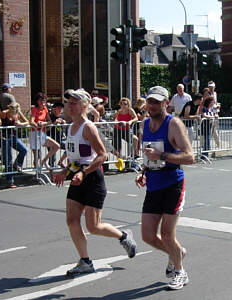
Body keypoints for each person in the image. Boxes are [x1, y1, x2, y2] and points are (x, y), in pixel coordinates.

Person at [53, 88, 137, 276]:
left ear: (83, 106)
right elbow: (76, 158)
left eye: (73, 103)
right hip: (77, 177)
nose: (69, 106)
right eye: (68, 102)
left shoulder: (88, 127)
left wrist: (83, 172)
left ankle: (123, 236)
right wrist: (64, 170)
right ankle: (85, 261)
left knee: (93, 226)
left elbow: (102, 155)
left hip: (92, 179)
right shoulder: (70, 127)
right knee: (72, 220)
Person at [135, 86, 194, 290]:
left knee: (168, 234)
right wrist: (143, 171)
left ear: (166, 103)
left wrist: (161, 157)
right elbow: (149, 154)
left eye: (157, 102)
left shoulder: (173, 124)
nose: (152, 105)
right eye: (150, 101)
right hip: (153, 183)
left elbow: (190, 157)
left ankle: (180, 272)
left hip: (172, 183)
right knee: (148, 236)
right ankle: (177, 252)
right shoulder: (145, 123)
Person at [0, 102, 29, 188]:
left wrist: (20, 124)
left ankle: (17, 163)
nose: (14, 114)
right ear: (9, 109)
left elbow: (27, 122)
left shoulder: (18, 112)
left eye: (16, 112)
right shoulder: (4, 113)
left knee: (24, 149)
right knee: (8, 158)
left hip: (14, 137)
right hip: (5, 137)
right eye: (13, 112)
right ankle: (10, 181)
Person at [30, 92, 60, 170]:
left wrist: (44, 123)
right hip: (35, 133)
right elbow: (31, 121)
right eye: (41, 100)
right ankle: (37, 174)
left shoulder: (45, 109)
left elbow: (49, 121)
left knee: (56, 146)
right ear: (37, 101)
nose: (43, 102)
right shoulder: (34, 109)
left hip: (42, 133)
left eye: (44, 100)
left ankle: (44, 161)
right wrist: (37, 126)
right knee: (37, 156)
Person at [47, 102, 67, 168]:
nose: (60, 109)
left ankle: (60, 162)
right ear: (54, 109)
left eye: (61, 108)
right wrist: (54, 123)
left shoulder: (61, 117)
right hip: (51, 140)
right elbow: (47, 129)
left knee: (69, 148)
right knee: (52, 158)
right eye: (59, 108)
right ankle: (52, 175)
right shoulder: (50, 116)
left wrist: (64, 122)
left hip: (59, 140)